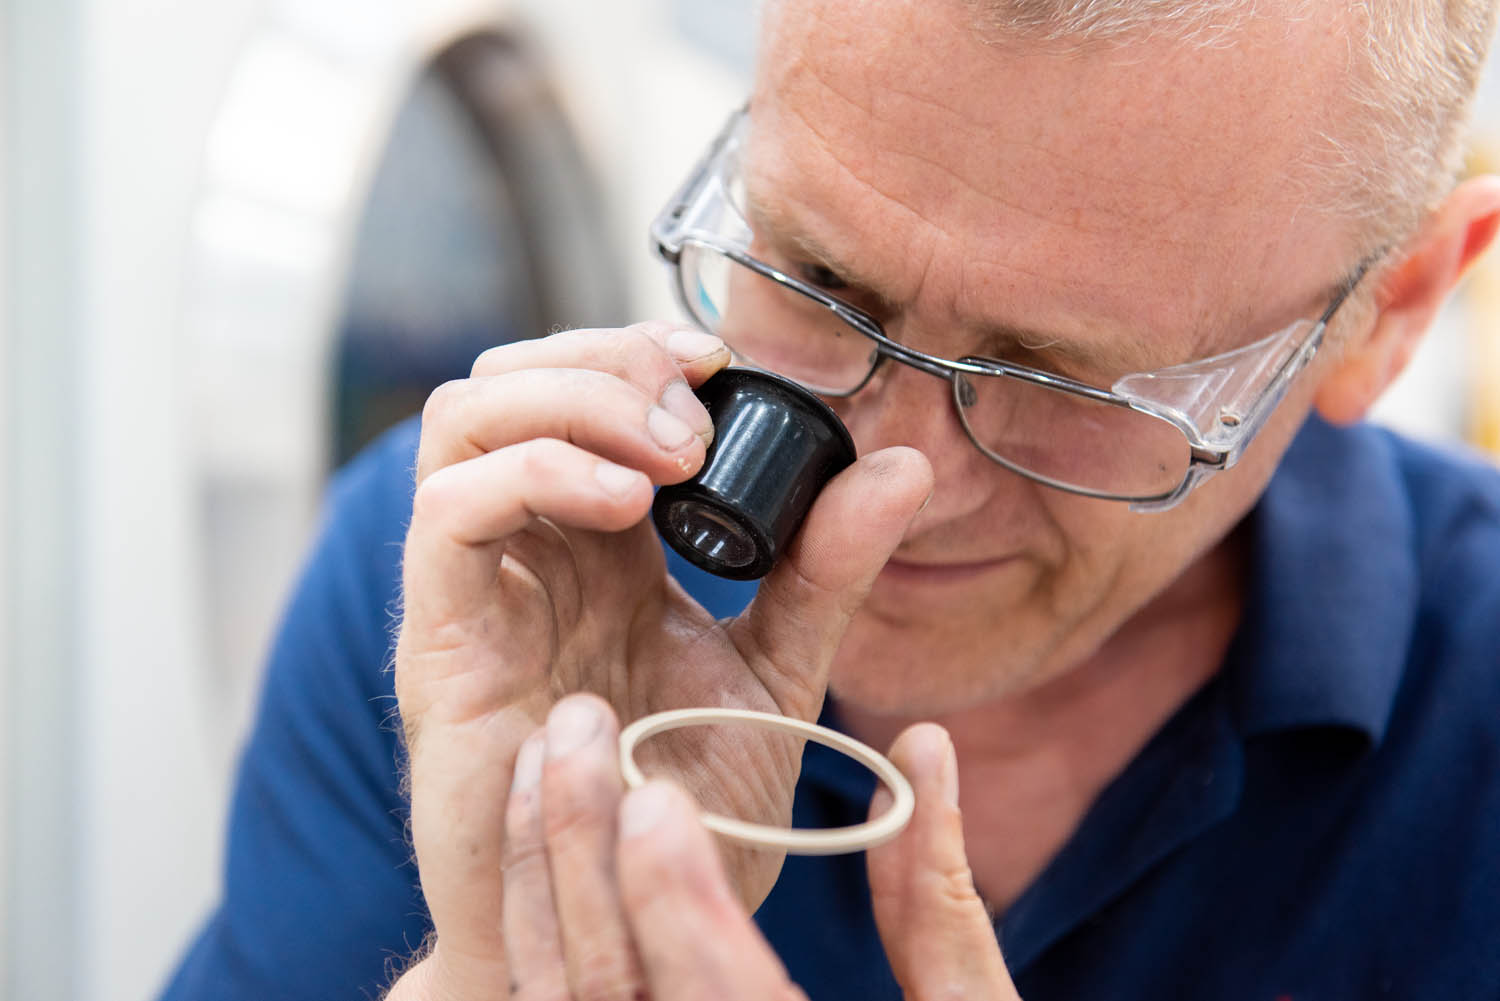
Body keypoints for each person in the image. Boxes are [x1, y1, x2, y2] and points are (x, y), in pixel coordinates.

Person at [159, 1, 1500, 998]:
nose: (894, 490)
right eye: (822, 279)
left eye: (1066, 379)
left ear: (1389, 315)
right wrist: (495, 969)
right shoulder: (488, 571)